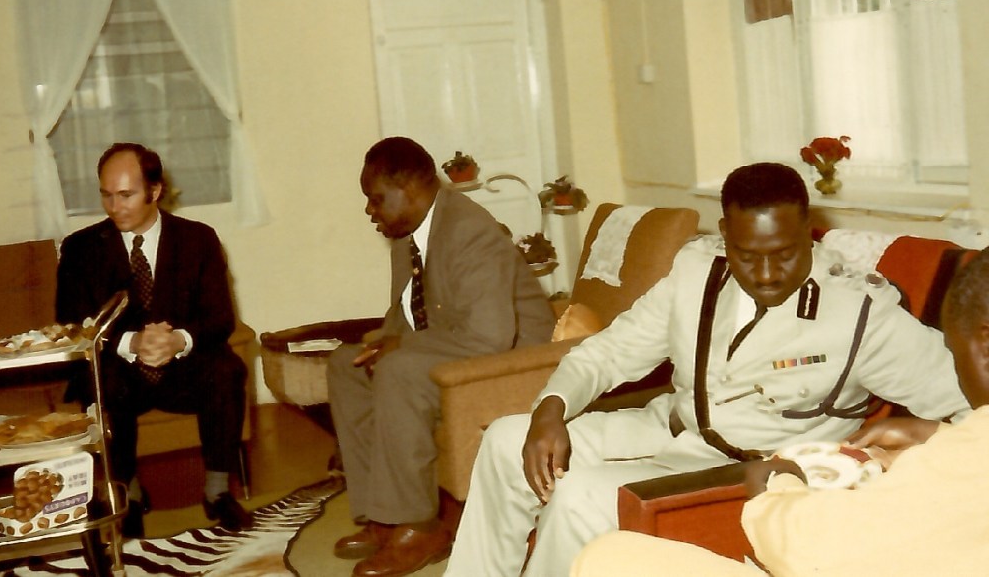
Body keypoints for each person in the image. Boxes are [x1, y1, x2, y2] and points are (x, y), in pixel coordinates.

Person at [445, 162, 970, 576]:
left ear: (809, 232)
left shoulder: (861, 314)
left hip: (747, 473)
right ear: (724, 234)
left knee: (583, 496)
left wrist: (924, 431)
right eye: (746, 255)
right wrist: (550, 409)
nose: (766, 274)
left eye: (785, 254)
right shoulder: (696, 270)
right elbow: (612, 350)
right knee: (506, 441)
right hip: (668, 431)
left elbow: (970, 399)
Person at [571, 245, 989, 576]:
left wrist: (778, 489)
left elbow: (805, 551)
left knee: (608, 557)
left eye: (954, 348)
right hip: (680, 433)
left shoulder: (861, 311)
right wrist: (938, 433)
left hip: (774, 494)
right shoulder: (696, 271)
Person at [327, 137, 556, 577]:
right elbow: (409, 314)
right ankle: (382, 516)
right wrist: (383, 340)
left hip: (514, 364)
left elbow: (491, 337)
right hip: (459, 350)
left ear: (411, 189)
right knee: (346, 365)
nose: (369, 211)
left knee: (398, 370)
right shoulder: (408, 233)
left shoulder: (470, 231)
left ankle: (417, 526)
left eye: (376, 200)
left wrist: (402, 348)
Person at [56, 142, 251, 537]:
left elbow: (220, 318)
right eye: (106, 195)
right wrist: (130, 343)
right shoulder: (80, 249)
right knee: (101, 382)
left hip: (183, 369)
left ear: (155, 191)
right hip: (120, 372)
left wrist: (179, 340)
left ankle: (217, 491)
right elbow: (70, 324)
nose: (114, 207)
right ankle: (129, 494)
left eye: (126, 195)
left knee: (227, 370)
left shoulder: (199, 240)